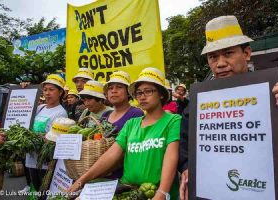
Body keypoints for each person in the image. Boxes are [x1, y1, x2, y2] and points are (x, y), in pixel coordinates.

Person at [178, 15, 278, 200]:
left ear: (246, 54)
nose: (221, 63)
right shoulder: (198, 104)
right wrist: (186, 168)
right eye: (213, 57)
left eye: (228, 53)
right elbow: (185, 144)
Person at [68, 67, 181, 200]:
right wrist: (81, 181)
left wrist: (162, 192)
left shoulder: (173, 121)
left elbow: (171, 157)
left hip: (157, 194)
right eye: (138, 93)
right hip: (128, 192)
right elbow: (111, 155)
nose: (142, 96)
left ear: (161, 94)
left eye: (148, 91)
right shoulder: (131, 124)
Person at [25, 74, 68, 192]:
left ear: (60, 92)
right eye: (45, 90)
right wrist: (25, 89)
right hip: (31, 159)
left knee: (44, 193)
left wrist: (32, 137)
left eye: (51, 90)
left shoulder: (61, 113)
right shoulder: (41, 108)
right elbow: (26, 109)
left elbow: (53, 140)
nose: (47, 93)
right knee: (38, 192)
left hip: (45, 163)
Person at [101, 71, 144, 179]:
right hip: (101, 172)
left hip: (123, 176)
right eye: (110, 88)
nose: (113, 91)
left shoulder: (136, 114)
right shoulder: (105, 115)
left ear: (128, 92)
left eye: (119, 87)